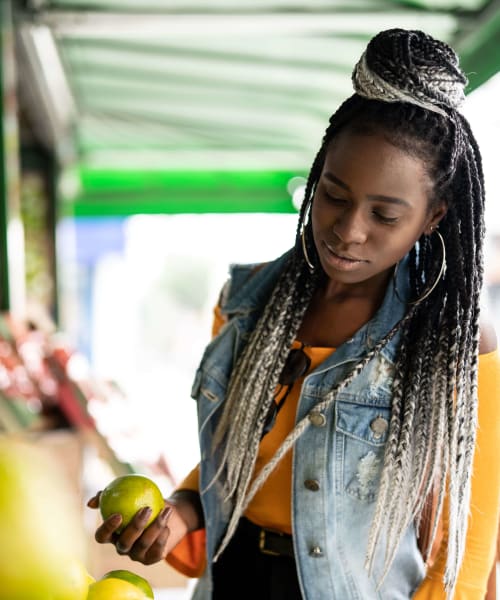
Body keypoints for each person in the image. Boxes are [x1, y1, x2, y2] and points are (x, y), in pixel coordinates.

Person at [88, 28, 500, 599]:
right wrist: (179, 514)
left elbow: (465, 550)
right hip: (233, 582)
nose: (348, 231)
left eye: (385, 215)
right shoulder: (245, 303)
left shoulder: (455, 347)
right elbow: (232, 466)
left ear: (432, 217)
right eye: (334, 195)